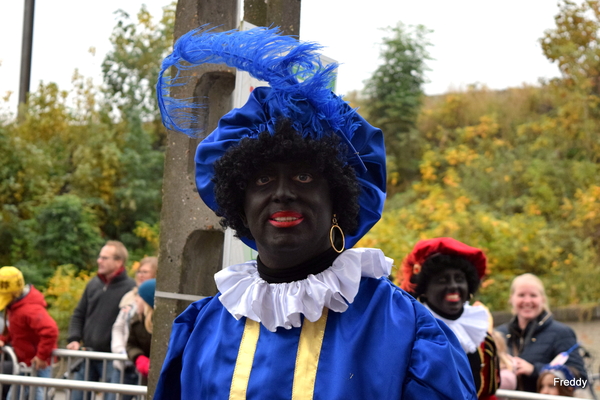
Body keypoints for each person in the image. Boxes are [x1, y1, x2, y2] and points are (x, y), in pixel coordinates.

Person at [153, 26, 477, 399]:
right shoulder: (203, 327)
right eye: (261, 179)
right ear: (239, 203)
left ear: (338, 198)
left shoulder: (405, 329)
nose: (282, 193)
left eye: (304, 176)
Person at [398, 237, 500, 400]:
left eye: (459, 279)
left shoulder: (482, 340)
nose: (453, 286)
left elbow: (488, 395)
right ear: (425, 289)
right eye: (442, 280)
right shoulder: (407, 336)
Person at [496, 273, 590, 393]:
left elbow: (581, 382)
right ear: (511, 299)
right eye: (521, 295)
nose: (527, 301)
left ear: (543, 299)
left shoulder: (561, 333)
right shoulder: (499, 335)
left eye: (533, 295)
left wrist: (536, 370)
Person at [66, 241, 136, 400]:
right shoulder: (94, 284)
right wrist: (74, 338)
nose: (99, 261)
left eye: (104, 258)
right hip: (88, 354)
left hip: (113, 358)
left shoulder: (130, 288)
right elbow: (79, 314)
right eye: (99, 257)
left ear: (118, 262)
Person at [0, 266, 58, 400]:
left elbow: (50, 330)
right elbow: (12, 328)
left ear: (14, 293)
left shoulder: (30, 309)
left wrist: (41, 356)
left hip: (38, 365)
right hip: (23, 364)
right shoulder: (13, 307)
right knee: (13, 395)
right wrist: (3, 338)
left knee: (38, 395)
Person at [107, 257, 157, 400]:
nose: (140, 275)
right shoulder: (136, 318)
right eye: (139, 272)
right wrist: (136, 356)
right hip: (129, 363)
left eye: (145, 272)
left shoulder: (158, 323)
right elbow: (126, 336)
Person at [126, 278, 155, 386]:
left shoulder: (162, 323)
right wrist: (138, 357)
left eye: (140, 296)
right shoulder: (137, 321)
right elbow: (130, 344)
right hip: (146, 377)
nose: (136, 300)